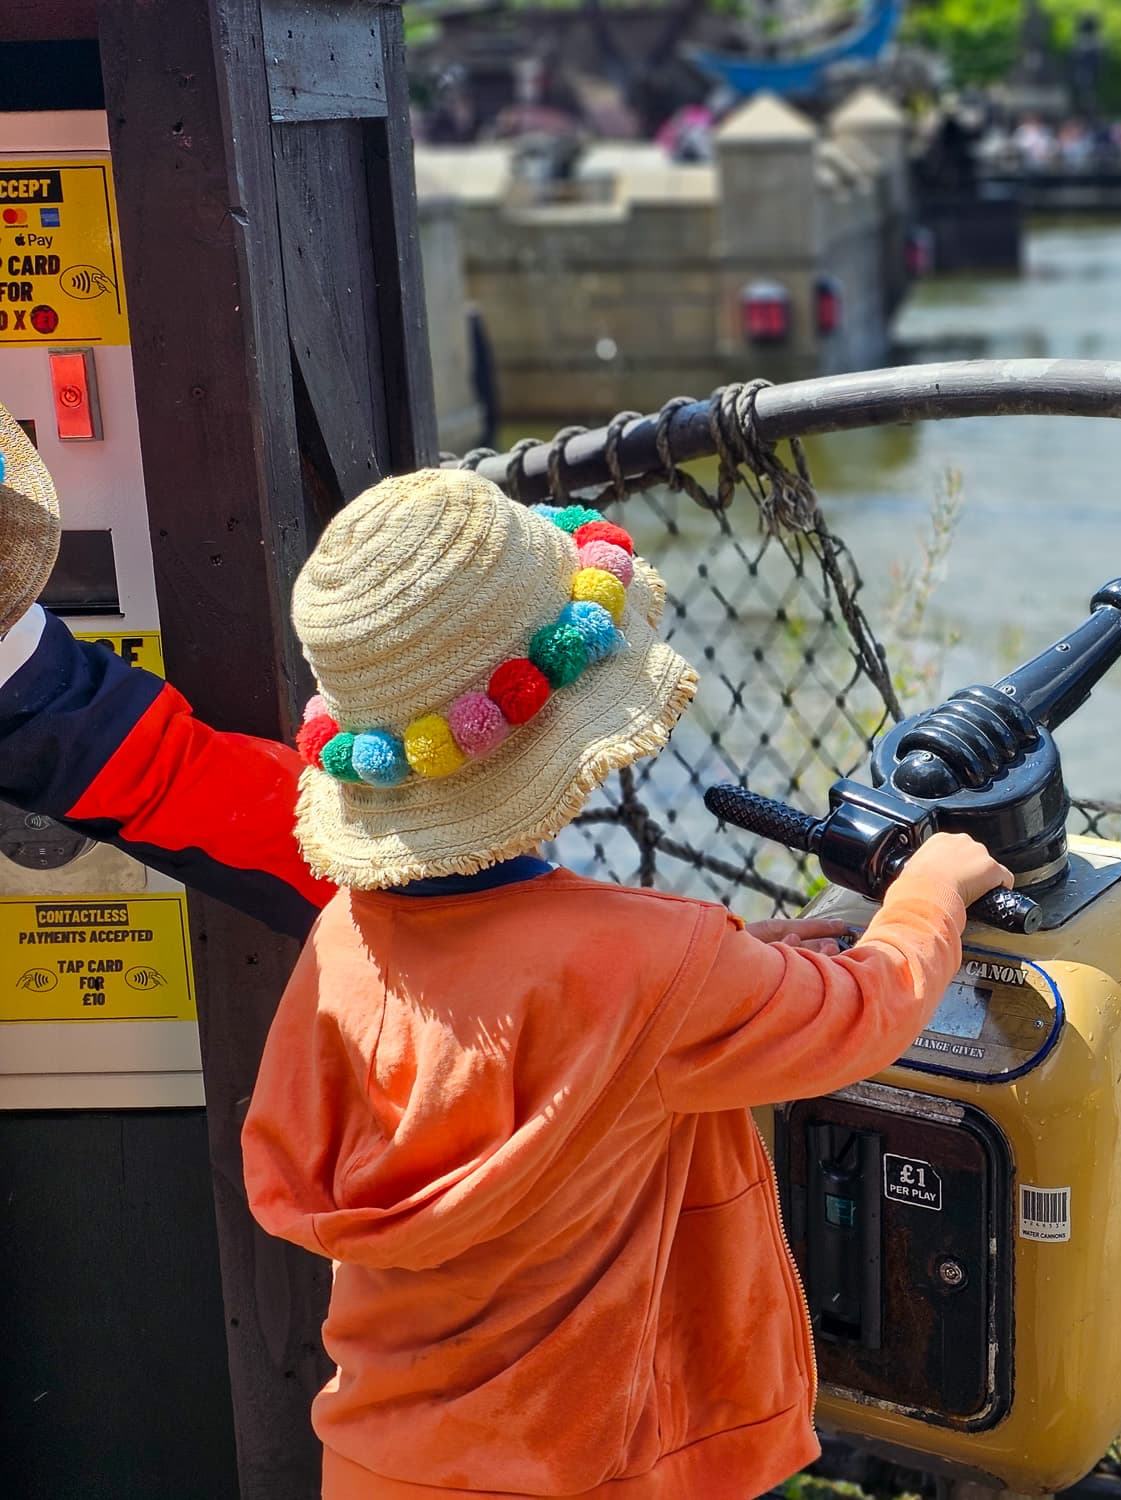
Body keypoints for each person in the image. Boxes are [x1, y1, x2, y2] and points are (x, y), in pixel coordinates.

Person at [0, 414, 1014, 1499]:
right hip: (595, 1462)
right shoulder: (651, 966)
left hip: (383, 1457)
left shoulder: (350, 932)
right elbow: (861, 1010)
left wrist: (727, 960)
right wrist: (932, 890)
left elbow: (528, 1015)